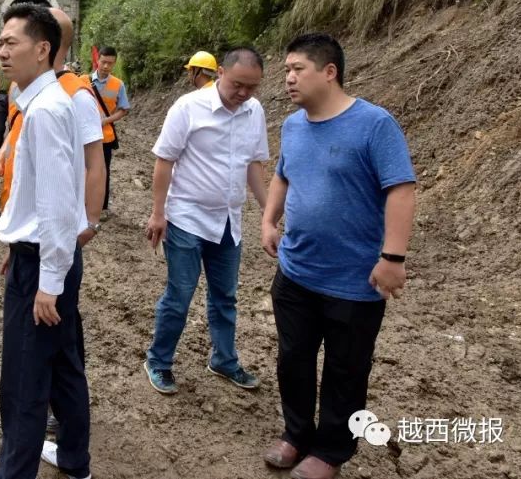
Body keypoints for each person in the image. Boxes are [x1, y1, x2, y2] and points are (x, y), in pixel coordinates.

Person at [260, 33, 415, 479]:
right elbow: (283, 177)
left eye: (298, 69)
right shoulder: (292, 125)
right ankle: (295, 434)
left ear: (329, 72)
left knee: (346, 371)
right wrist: (270, 221)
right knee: (293, 359)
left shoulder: (374, 124)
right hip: (296, 270)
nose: (288, 78)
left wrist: (393, 257)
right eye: (286, 70)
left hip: (354, 278)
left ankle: (330, 451)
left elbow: (401, 189)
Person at [0, 4, 90, 479]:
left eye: (12, 42)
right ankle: (74, 459)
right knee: (64, 365)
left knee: (24, 381)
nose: (0, 50)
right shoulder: (37, 101)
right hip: (39, 257)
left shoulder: (48, 110)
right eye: (0, 41)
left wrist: (47, 281)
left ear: (43, 49)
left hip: (44, 265)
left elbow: (56, 206)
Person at [143, 47, 269, 395]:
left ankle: (224, 360)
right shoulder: (188, 107)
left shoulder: (254, 111)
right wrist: (158, 214)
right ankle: (159, 361)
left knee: (225, 296)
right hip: (186, 217)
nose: (244, 93)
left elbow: (254, 165)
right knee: (180, 294)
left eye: (252, 87)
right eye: (238, 84)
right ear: (221, 75)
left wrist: (269, 212)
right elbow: (164, 161)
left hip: (229, 220)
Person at [83, 46, 129, 220]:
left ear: (114, 63)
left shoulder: (118, 84)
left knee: (103, 171)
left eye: (110, 63)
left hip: (105, 136)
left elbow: (124, 109)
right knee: (82, 168)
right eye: (103, 62)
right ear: (97, 60)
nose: (106, 66)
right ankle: (82, 201)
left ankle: (101, 207)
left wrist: (105, 121)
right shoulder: (83, 80)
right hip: (84, 134)